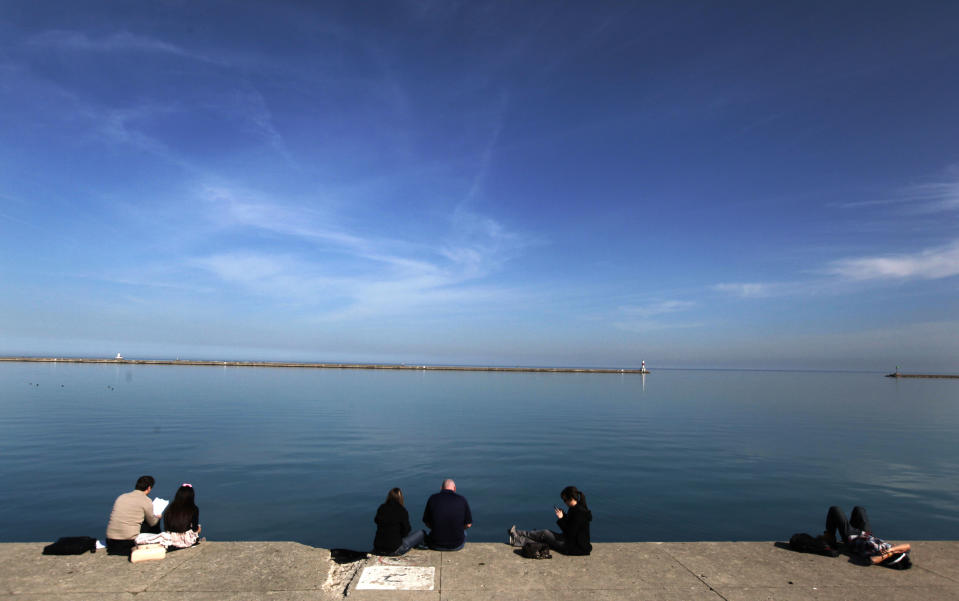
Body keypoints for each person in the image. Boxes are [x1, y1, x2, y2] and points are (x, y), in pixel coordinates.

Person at [508, 485, 592, 555]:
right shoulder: (576, 508)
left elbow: (570, 532)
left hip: (573, 547)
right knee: (544, 540)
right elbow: (572, 524)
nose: (564, 502)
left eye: (565, 500)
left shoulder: (579, 513)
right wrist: (565, 515)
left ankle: (518, 534)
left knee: (545, 533)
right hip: (573, 543)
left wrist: (561, 518)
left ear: (571, 499)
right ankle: (517, 539)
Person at [824, 505, 911, 568]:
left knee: (835, 510)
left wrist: (885, 555)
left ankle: (830, 538)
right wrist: (891, 550)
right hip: (867, 534)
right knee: (859, 509)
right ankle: (849, 526)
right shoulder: (892, 550)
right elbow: (907, 546)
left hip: (852, 538)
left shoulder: (878, 557)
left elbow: (871, 560)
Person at [105, 475, 161, 555]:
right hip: (128, 542)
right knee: (154, 521)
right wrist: (158, 517)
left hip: (110, 541)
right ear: (149, 488)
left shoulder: (121, 497)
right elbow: (152, 523)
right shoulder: (146, 500)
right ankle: (156, 543)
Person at [422, 478, 472, 551]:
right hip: (456, 545)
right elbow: (468, 524)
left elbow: (426, 522)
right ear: (454, 488)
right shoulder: (462, 499)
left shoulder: (432, 498)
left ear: (441, 488)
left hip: (435, 544)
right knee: (464, 533)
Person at [373, 488, 426, 555]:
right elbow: (407, 530)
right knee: (421, 533)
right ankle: (421, 547)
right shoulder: (402, 510)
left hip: (378, 548)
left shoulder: (381, 508)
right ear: (400, 498)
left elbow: (376, 520)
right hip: (393, 550)